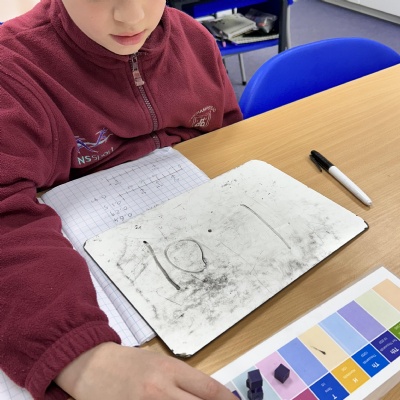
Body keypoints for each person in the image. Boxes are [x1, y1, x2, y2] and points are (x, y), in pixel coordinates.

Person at [0, 0, 242, 399]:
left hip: (211, 261)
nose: (132, 17)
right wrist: (78, 357)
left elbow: (228, 137)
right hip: (89, 292)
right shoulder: (12, 71)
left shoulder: (194, 40)